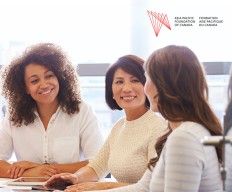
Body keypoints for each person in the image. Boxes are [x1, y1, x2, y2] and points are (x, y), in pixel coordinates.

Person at [84, 45, 223, 192]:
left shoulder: (184, 137)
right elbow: (143, 187)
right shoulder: (178, 132)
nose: (145, 87)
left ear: (164, 85)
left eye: (147, 77)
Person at [45, 55, 166, 191]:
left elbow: (154, 186)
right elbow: (96, 167)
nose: (126, 88)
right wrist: (75, 178)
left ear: (147, 86)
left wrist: (105, 186)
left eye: (135, 80)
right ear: (112, 92)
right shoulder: (119, 127)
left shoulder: (157, 127)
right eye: (119, 82)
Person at [0, 42, 103, 178]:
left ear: (60, 77)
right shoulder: (14, 117)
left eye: (49, 76)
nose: (44, 85)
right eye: (34, 81)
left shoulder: (82, 111)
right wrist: (30, 173)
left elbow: (98, 163)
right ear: (25, 88)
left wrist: (44, 169)